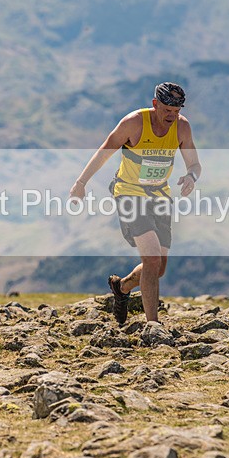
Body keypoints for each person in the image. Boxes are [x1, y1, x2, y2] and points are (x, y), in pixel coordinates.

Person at [69, 82, 201, 325]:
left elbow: (194, 164)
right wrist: (81, 183)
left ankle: (122, 288)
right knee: (151, 259)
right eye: (167, 110)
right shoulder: (134, 123)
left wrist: (191, 177)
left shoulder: (182, 127)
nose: (172, 116)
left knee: (159, 268)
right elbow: (104, 151)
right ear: (155, 104)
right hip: (129, 193)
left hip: (159, 196)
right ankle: (153, 325)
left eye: (176, 111)